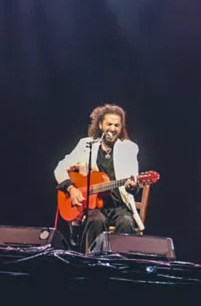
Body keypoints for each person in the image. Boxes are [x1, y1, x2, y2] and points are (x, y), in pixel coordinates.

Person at [53, 104, 146, 251]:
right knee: (96, 220)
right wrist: (71, 189)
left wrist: (132, 186)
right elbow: (60, 168)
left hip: (119, 205)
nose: (113, 129)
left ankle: (119, 264)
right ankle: (93, 262)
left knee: (126, 222)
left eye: (117, 125)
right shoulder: (87, 145)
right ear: (101, 125)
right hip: (94, 206)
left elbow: (132, 181)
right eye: (109, 124)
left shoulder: (129, 148)